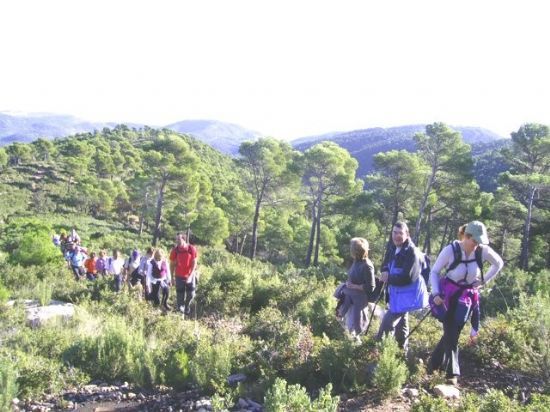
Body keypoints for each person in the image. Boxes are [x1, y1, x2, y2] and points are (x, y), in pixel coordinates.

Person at [428, 220, 504, 385]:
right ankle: (451, 373)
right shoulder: (451, 250)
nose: (476, 245)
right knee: (451, 332)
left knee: (453, 332)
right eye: (474, 241)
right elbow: (434, 272)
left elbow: (498, 263)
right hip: (447, 297)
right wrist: (435, 293)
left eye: (479, 242)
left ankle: (432, 364)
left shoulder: (482, 251)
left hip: (466, 299)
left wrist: (483, 281)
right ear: (466, 236)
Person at [376, 221, 424, 353]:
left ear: (407, 234)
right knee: (402, 323)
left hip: (405, 296)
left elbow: (409, 277)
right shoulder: (392, 247)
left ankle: (380, 353)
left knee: (387, 323)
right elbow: (385, 263)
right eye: (394, 232)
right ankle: (402, 352)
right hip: (395, 295)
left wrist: (389, 278)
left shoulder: (412, 252)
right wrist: (385, 270)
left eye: (400, 233)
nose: (397, 236)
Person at [339, 238, 376, 338]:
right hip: (350, 298)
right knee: (348, 327)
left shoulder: (367, 266)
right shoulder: (356, 261)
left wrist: (354, 286)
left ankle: (355, 348)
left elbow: (371, 287)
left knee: (354, 328)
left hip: (359, 301)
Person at [169, 233, 198, 315]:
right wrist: (172, 277)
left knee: (191, 294)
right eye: (176, 239)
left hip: (190, 275)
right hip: (179, 276)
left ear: (184, 239)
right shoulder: (175, 250)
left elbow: (194, 263)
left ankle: (187, 306)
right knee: (180, 296)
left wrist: (191, 276)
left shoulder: (191, 249)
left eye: (178, 239)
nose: (177, 241)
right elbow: (171, 265)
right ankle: (180, 314)